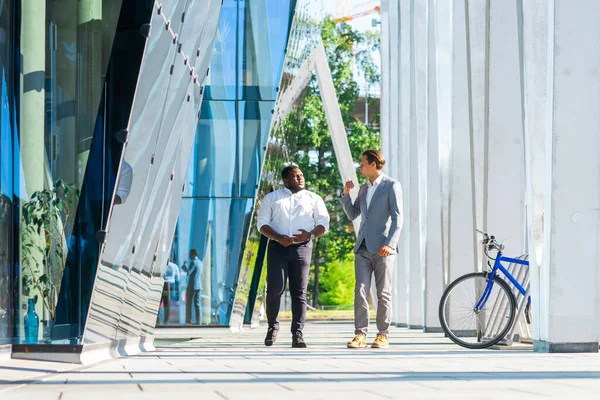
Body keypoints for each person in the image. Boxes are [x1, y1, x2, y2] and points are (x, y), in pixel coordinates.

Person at [257, 165, 330, 348]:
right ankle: (272, 326)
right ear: (285, 180)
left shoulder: (314, 199)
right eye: (295, 176)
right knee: (274, 290)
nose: (300, 178)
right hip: (277, 247)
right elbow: (262, 224)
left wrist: (310, 234)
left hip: (302, 248)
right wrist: (278, 237)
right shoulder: (272, 198)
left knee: (300, 293)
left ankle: (297, 334)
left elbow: (323, 223)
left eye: (301, 175)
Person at [340, 150, 403, 349]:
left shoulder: (391, 185)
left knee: (383, 292)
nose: (360, 167)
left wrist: (390, 244)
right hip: (363, 247)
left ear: (374, 164)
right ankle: (360, 334)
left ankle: (383, 334)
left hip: (383, 248)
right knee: (360, 290)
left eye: (363, 163)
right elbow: (353, 214)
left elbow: (397, 218)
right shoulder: (363, 189)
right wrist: (345, 194)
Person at [182, 249, 203, 325]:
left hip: (192, 286)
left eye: (190, 254)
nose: (189, 256)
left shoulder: (193, 262)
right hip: (199, 286)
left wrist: (184, 266)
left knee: (188, 303)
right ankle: (199, 322)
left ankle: (188, 321)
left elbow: (188, 273)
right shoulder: (200, 263)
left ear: (194, 254)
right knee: (197, 305)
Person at [159, 258, 180, 325]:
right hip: (169, 285)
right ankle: (166, 320)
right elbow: (177, 278)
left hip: (161, 283)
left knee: (159, 302)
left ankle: (158, 319)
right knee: (167, 303)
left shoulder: (161, 265)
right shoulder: (174, 266)